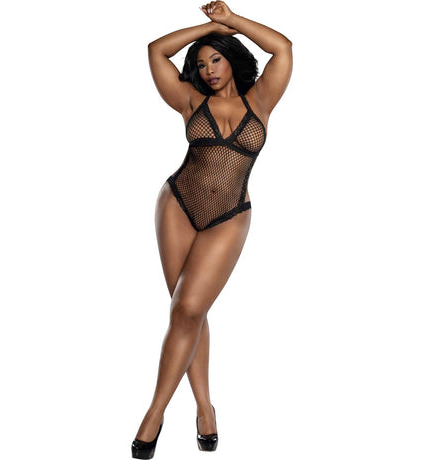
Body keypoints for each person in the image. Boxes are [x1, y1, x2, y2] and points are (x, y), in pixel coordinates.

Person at [131, 2, 293, 458]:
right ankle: (202, 409)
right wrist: (206, 28)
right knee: (186, 313)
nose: (208, 70)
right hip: (178, 205)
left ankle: (155, 412)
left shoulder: (261, 100)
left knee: (188, 309)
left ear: (231, 57)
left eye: (215, 59)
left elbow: (282, 48)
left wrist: (230, 22)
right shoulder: (190, 100)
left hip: (230, 215)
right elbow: (156, 50)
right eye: (201, 64)